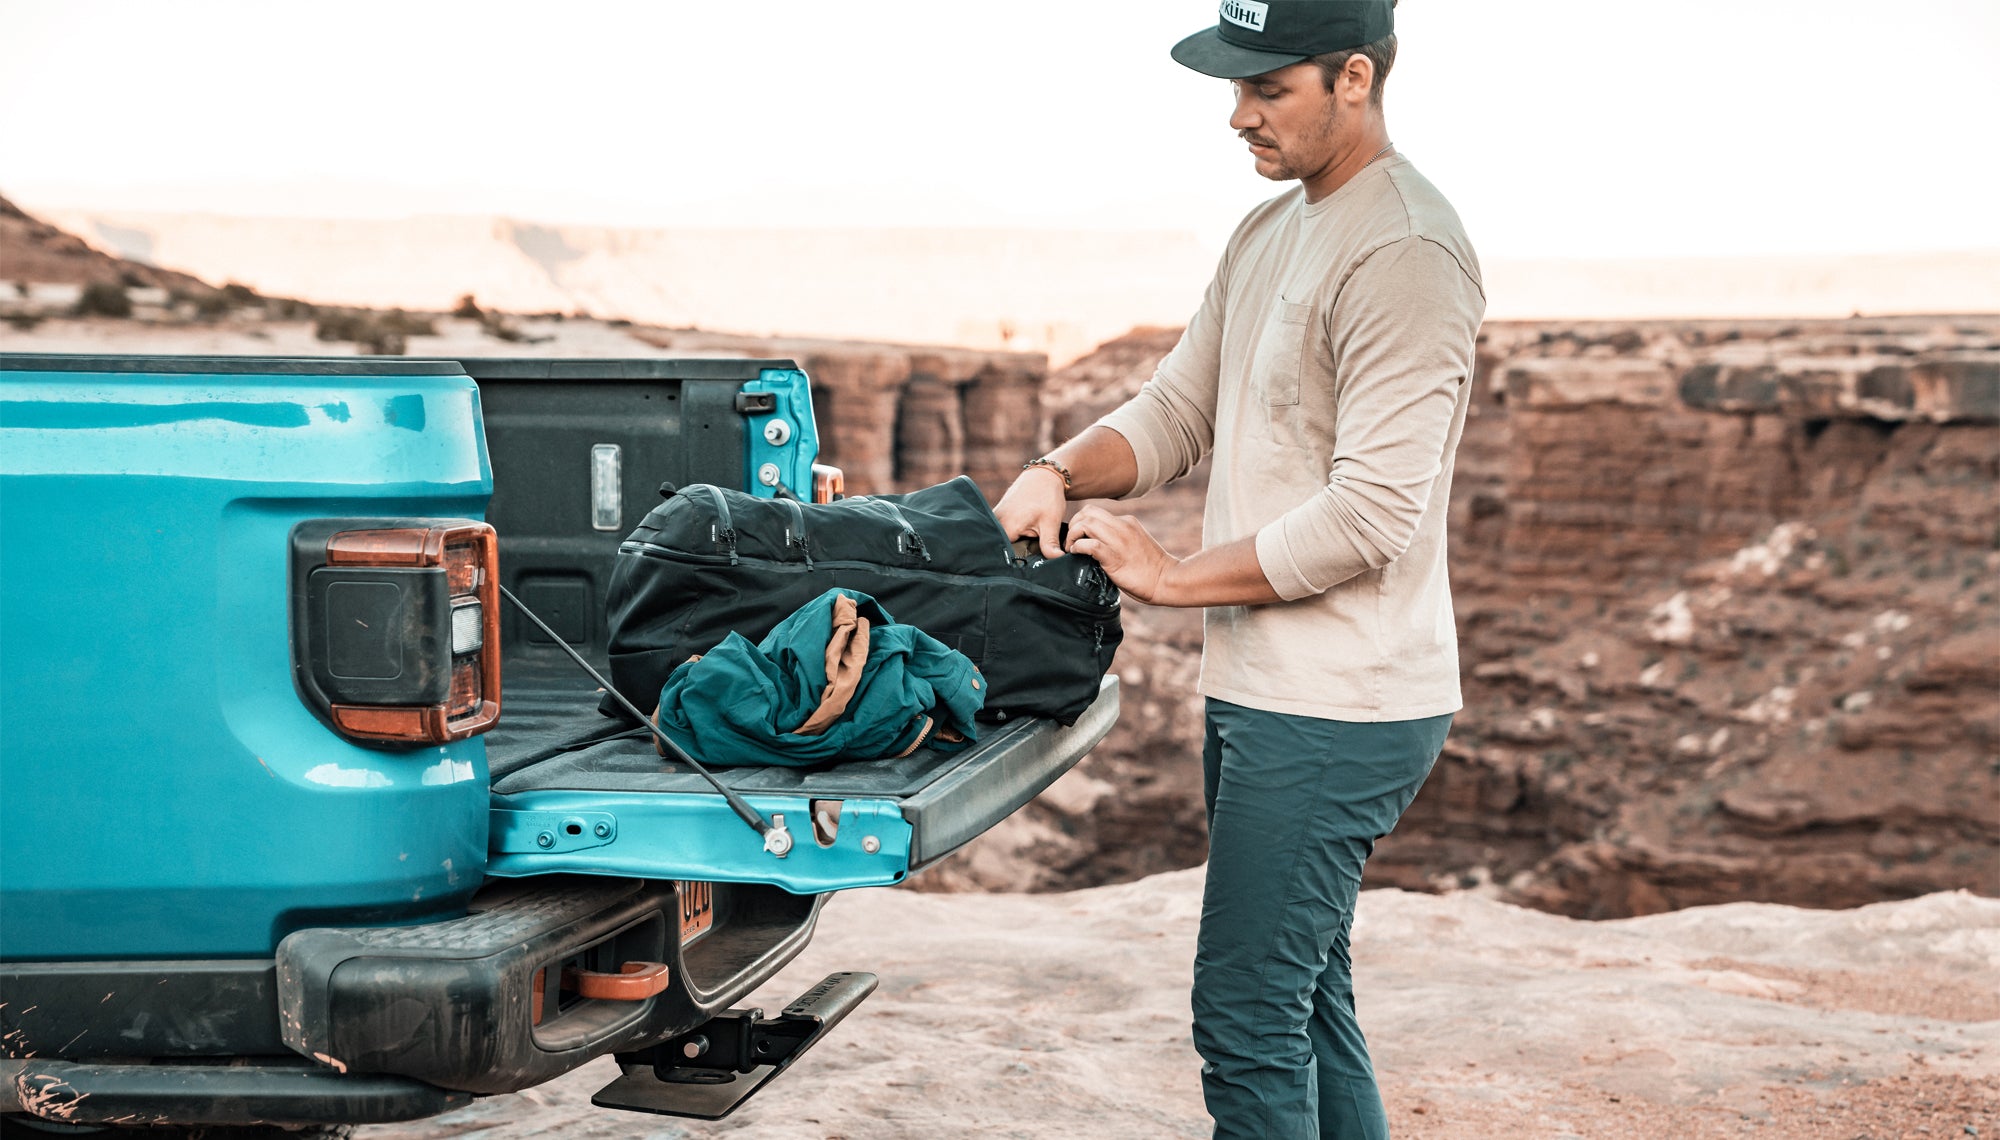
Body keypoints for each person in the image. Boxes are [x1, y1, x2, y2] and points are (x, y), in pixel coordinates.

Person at [992, 2, 1483, 1136]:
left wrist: (1165, 576)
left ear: (1353, 77)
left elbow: (1369, 516)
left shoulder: (1405, 249)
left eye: (1269, 88)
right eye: (1235, 86)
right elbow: (1175, 411)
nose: (1237, 114)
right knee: (1306, 1000)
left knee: (1248, 1016)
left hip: (1337, 707)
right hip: (1268, 693)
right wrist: (1055, 469)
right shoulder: (1271, 232)